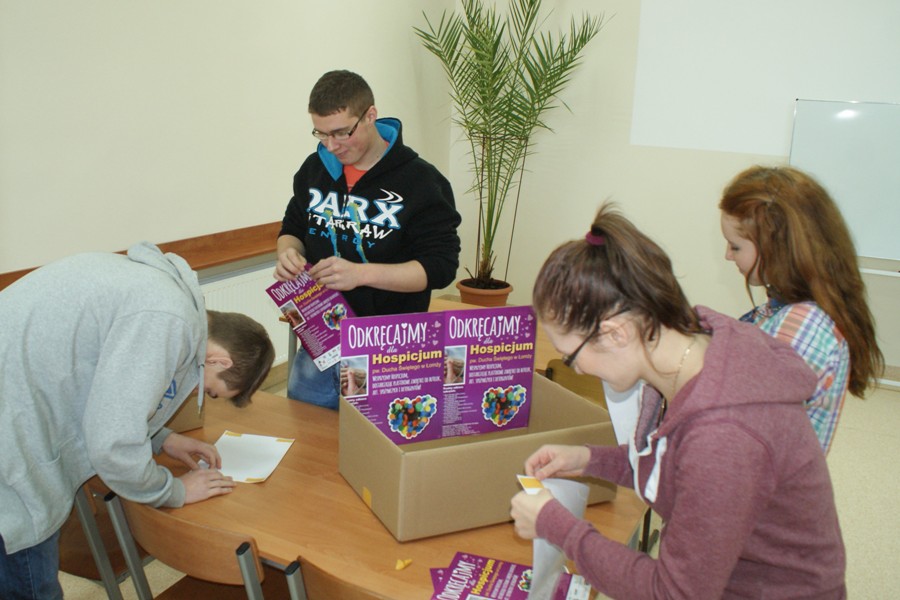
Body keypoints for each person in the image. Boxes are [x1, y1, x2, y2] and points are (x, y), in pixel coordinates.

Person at [510, 205, 846, 599]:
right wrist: (589, 459)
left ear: (616, 334)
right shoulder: (687, 350)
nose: (578, 370)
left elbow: (674, 593)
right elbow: (674, 467)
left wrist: (557, 526)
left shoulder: (723, 434)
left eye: (571, 356)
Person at [0, 242, 275, 600]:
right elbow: (112, 446)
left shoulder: (165, 298)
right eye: (211, 390)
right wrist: (175, 491)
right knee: (30, 584)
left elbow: (106, 390)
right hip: (12, 446)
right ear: (220, 361)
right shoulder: (166, 320)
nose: (198, 391)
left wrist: (163, 438)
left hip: (17, 407)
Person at [275, 69, 461, 409]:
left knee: (376, 438)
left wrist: (360, 274)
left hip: (391, 345)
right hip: (320, 338)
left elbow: (440, 267)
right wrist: (288, 252)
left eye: (341, 132)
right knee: (304, 431)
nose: (331, 146)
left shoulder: (421, 182)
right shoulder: (315, 169)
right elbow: (293, 226)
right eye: (321, 133)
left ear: (370, 115)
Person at [720, 165, 884, 452]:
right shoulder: (784, 310)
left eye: (735, 247)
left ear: (776, 247)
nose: (727, 256)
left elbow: (749, 429)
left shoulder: (804, 324)